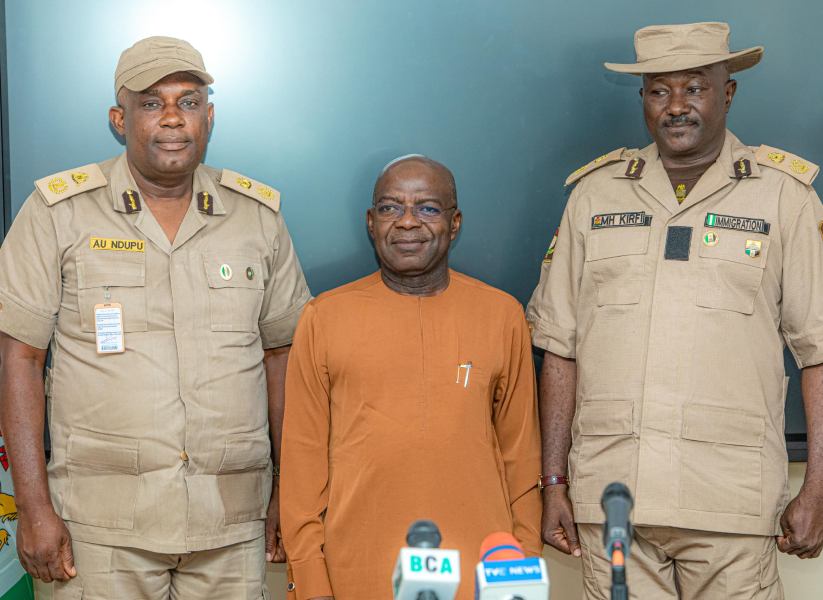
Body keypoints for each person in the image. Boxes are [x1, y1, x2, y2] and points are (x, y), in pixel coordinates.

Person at [0, 36, 311, 599]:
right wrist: (33, 507)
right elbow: (18, 358)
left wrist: (289, 491)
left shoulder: (258, 218)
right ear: (119, 119)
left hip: (231, 524)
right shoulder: (58, 213)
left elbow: (283, 357)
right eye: (151, 103)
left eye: (189, 102)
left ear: (209, 118)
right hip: (96, 529)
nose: (172, 118)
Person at [527, 21, 823, 599]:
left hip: (730, 502)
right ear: (642, 98)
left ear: (728, 93)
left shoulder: (785, 198)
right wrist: (554, 480)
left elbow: (819, 352)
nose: (677, 106)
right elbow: (560, 347)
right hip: (612, 497)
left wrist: (818, 485)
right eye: (659, 90)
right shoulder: (594, 195)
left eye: (695, 87)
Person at [280, 155, 541, 599]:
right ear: (371, 222)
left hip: (479, 574)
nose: (406, 222)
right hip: (355, 575)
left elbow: (522, 459)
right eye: (390, 207)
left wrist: (522, 572)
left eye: (427, 208)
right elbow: (302, 465)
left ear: (454, 223)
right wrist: (309, 579)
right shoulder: (324, 317)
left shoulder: (502, 316)